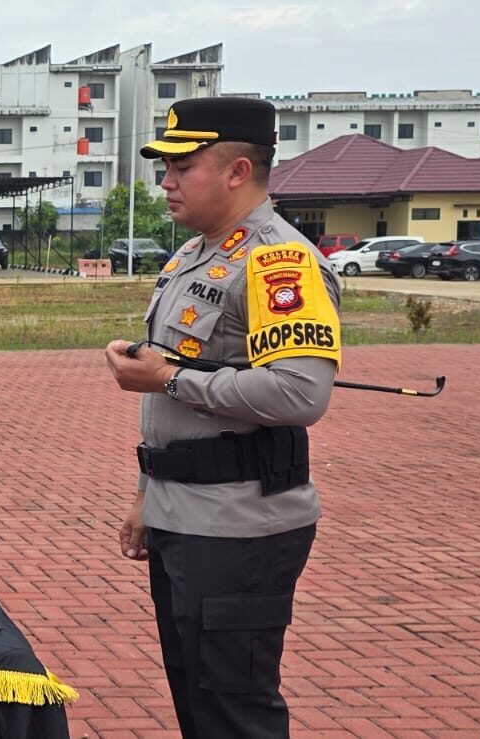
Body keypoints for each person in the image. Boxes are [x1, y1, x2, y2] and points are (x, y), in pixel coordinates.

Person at [104, 96, 343, 738]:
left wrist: (168, 378)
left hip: (240, 526)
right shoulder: (194, 256)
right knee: (198, 700)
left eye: (182, 165)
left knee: (234, 710)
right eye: (166, 166)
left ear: (238, 171)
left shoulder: (277, 261)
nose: (167, 181)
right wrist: (147, 494)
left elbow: (300, 395)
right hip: (183, 511)